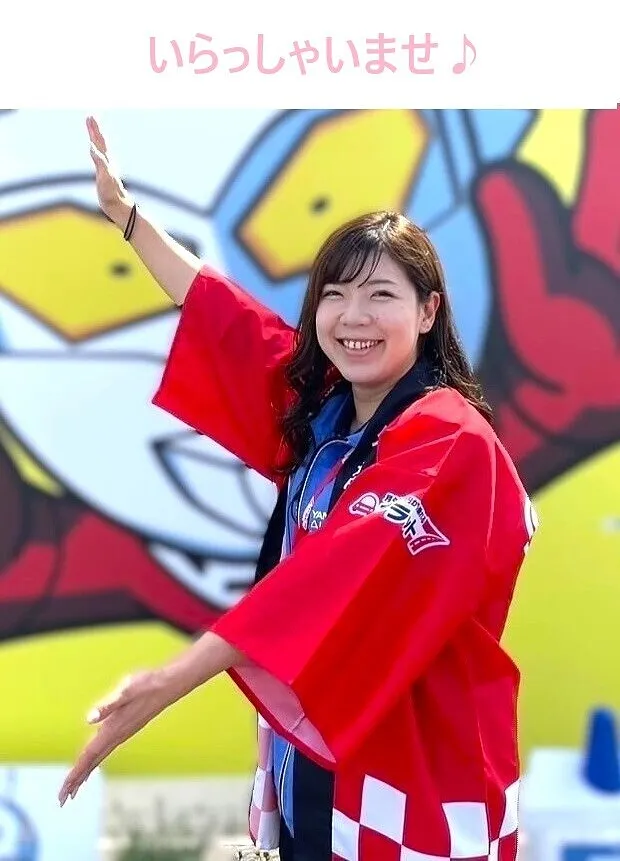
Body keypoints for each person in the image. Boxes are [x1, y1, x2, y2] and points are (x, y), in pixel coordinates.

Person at [58, 116, 538, 861]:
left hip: (413, 767)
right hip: (317, 754)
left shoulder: (449, 436)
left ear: (428, 311)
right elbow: (228, 320)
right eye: (334, 295)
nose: (353, 317)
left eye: (380, 294)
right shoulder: (330, 412)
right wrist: (127, 217)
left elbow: (335, 573)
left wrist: (172, 680)